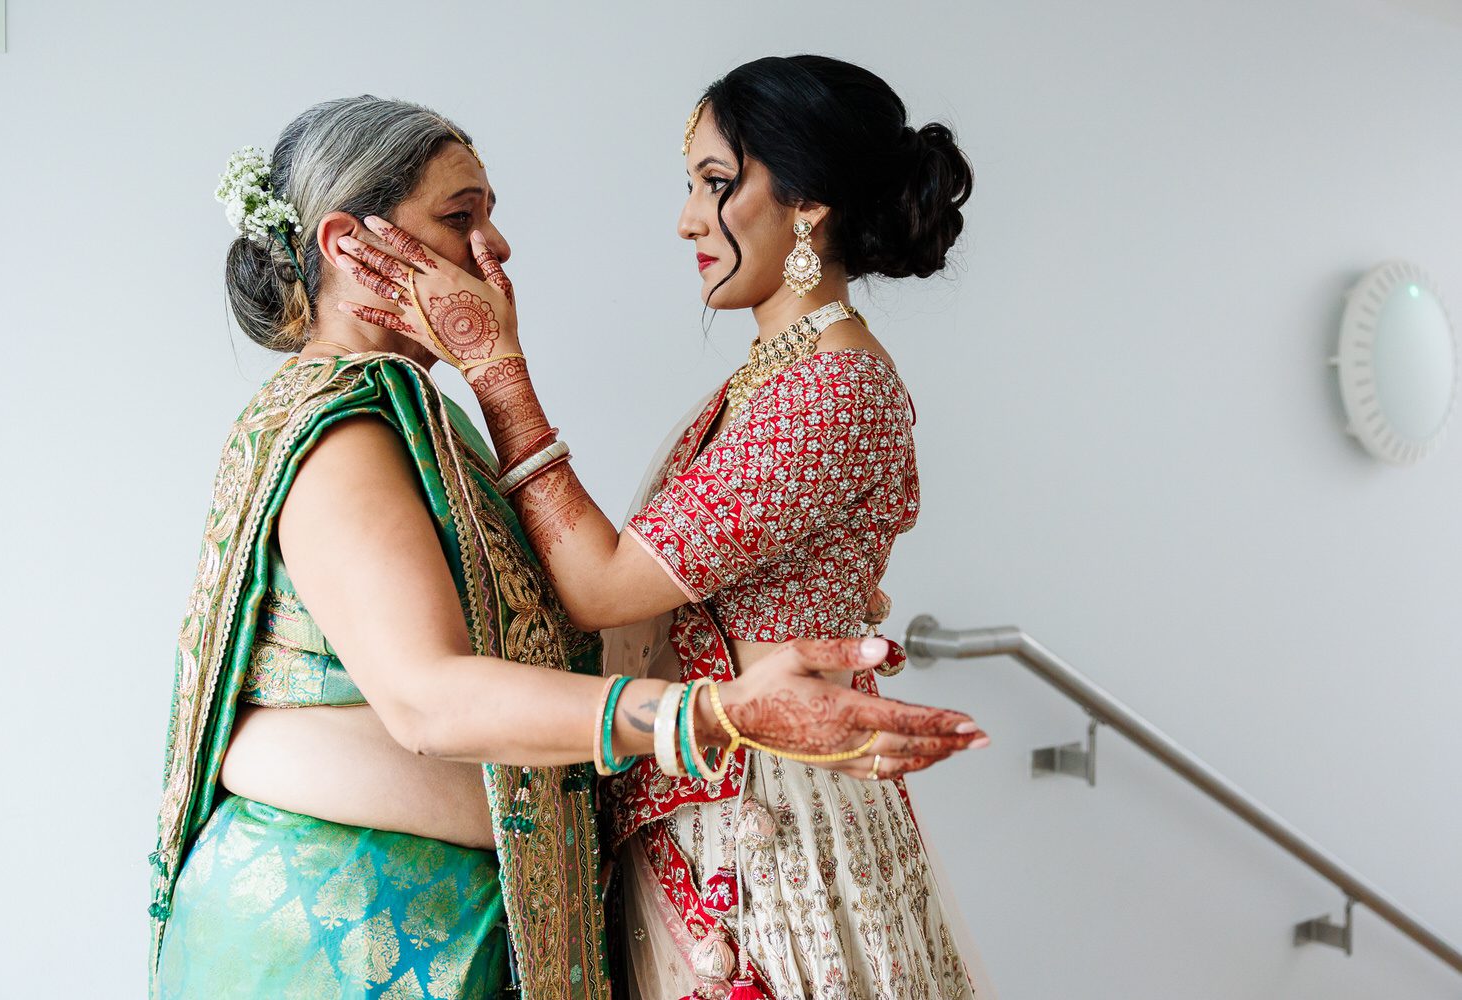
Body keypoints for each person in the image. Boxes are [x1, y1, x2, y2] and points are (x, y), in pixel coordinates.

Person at [149, 94, 984, 1000]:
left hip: (431, 912)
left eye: (714, 182)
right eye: (461, 215)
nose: (497, 245)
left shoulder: (412, 417)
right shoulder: (347, 430)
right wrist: (706, 716)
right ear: (353, 246)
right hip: (343, 930)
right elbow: (427, 698)